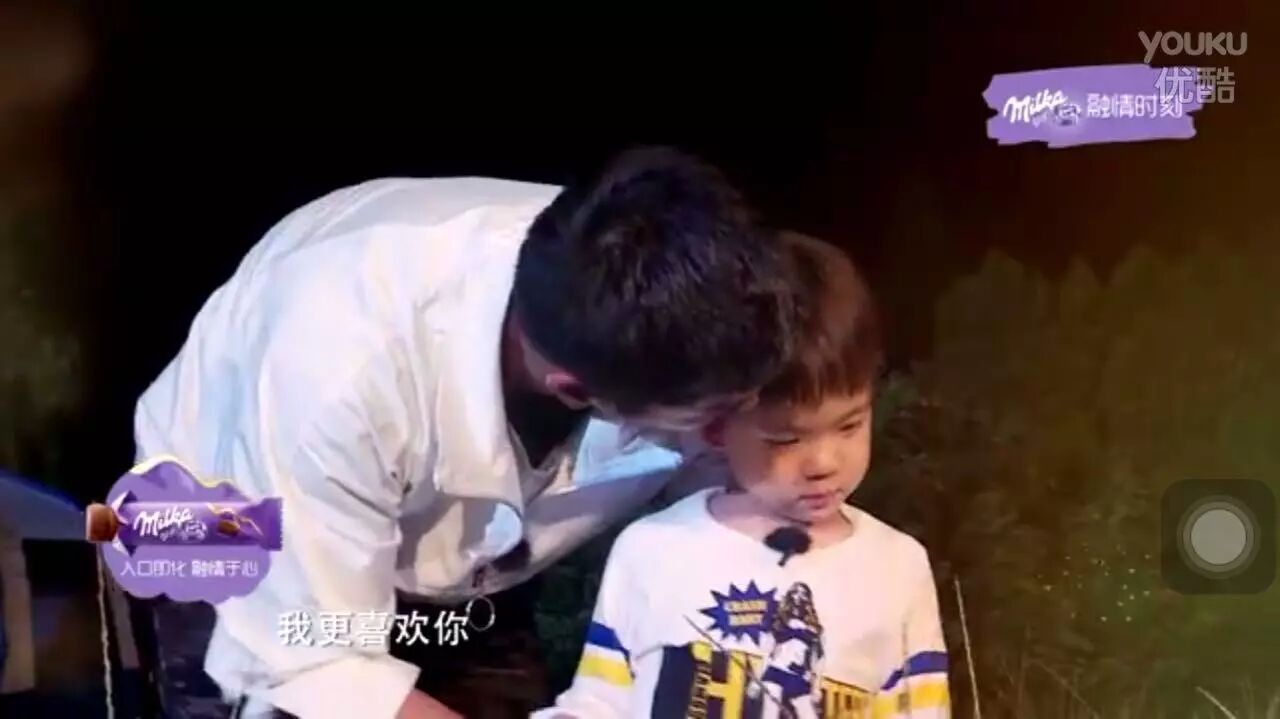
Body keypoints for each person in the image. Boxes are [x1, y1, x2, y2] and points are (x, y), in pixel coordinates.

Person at [130, 147, 802, 718]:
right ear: (576, 391)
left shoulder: (673, 293)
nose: (742, 429)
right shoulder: (335, 369)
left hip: (461, 568)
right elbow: (308, 661)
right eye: (713, 417)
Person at [537, 233, 951, 719]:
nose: (824, 462)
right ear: (715, 428)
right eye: (785, 439)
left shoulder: (898, 568)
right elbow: (599, 704)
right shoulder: (651, 549)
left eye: (849, 425)